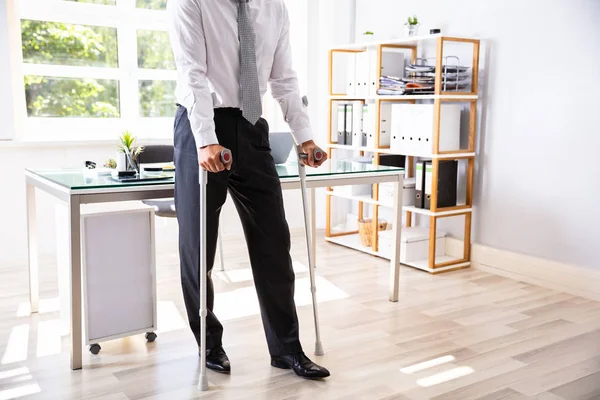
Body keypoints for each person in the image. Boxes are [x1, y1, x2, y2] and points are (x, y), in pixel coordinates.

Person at [166, 0, 330, 379]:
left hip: (253, 126)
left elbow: (284, 77)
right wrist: (206, 139)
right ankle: (209, 342)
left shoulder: (274, 7)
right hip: (200, 127)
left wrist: (304, 137)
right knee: (198, 247)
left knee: (274, 242)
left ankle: (287, 348)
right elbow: (193, 73)